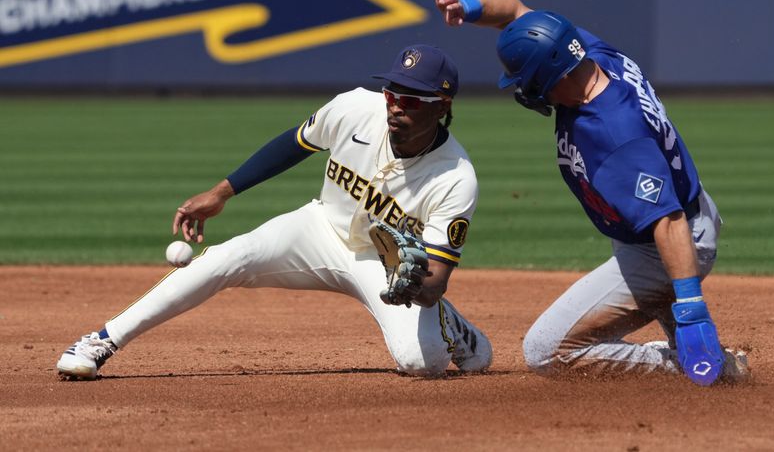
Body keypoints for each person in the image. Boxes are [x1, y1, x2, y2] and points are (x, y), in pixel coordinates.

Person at [56, 44, 492, 380]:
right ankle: (102, 341)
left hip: (379, 266)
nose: (396, 105)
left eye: (413, 100)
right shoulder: (356, 108)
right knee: (228, 257)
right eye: (392, 93)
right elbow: (294, 144)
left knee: (422, 364)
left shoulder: (455, 177)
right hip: (319, 228)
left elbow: (435, 281)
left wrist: (415, 286)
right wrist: (222, 191)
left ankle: (454, 328)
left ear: (443, 105)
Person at [431, 0, 750, 385]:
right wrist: (468, 7)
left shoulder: (615, 134)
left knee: (547, 352)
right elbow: (514, 10)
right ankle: (678, 337)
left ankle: (696, 367)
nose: (527, 90)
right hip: (664, 224)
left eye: (529, 81)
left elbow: (667, 221)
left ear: (552, 74)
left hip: (669, 243)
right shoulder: (588, 54)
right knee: (643, 248)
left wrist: (691, 309)